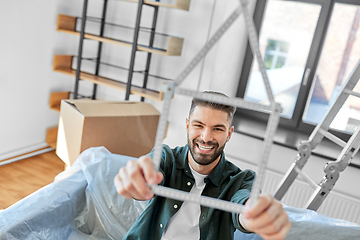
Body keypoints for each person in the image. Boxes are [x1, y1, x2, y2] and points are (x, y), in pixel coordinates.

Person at [114, 91, 291, 240]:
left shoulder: (242, 179)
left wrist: (254, 214)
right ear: (187, 125)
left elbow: (244, 205)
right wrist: (139, 180)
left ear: (229, 134)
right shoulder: (166, 157)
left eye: (218, 129)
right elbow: (150, 172)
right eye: (198, 125)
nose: (206, 137)